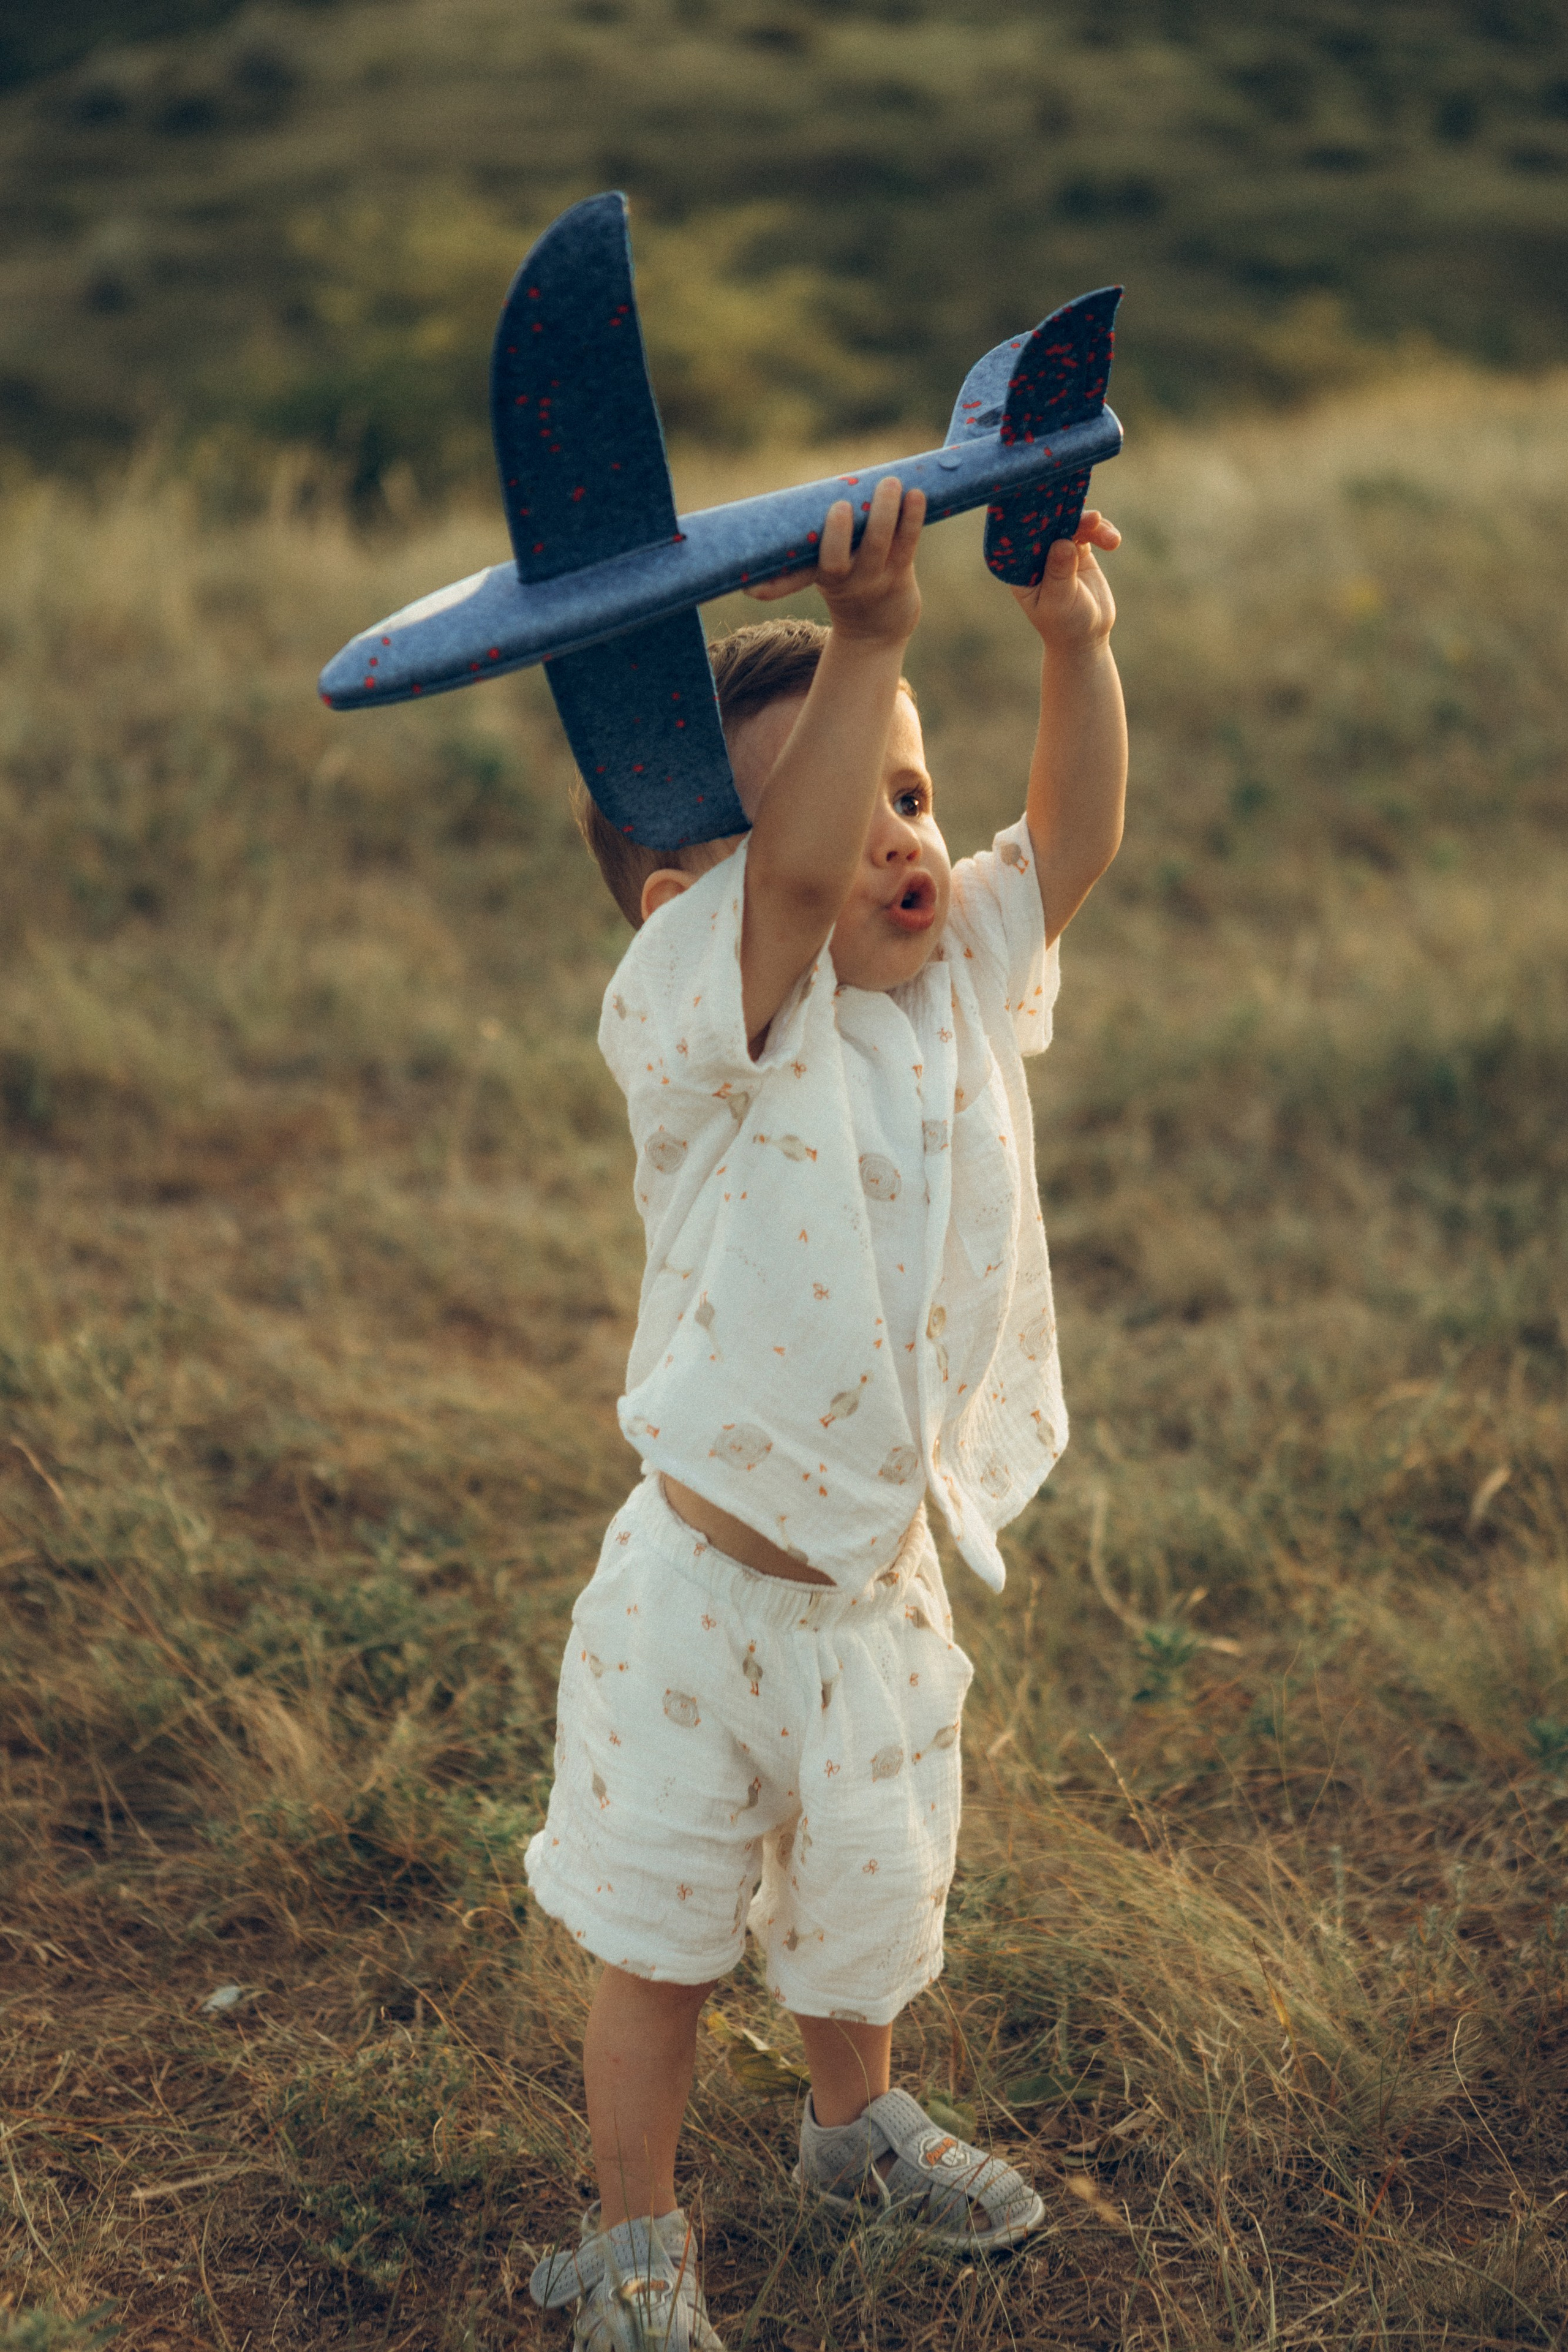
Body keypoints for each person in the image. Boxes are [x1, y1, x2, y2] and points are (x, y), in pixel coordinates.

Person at [526, 475, 1126, 2351]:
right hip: (699, 1605)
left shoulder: (949, 984)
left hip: (872, 1588)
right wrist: (869, 637)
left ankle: (854, 2123)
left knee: (867, 1902)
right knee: (667, 1934)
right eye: (839, 800)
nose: (888, 841)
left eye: (909, 794)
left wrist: (1073, 647)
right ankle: (635, 2238)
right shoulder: (717, 1024)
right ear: (682, 904)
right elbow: (785, 890)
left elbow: (1075, 842)